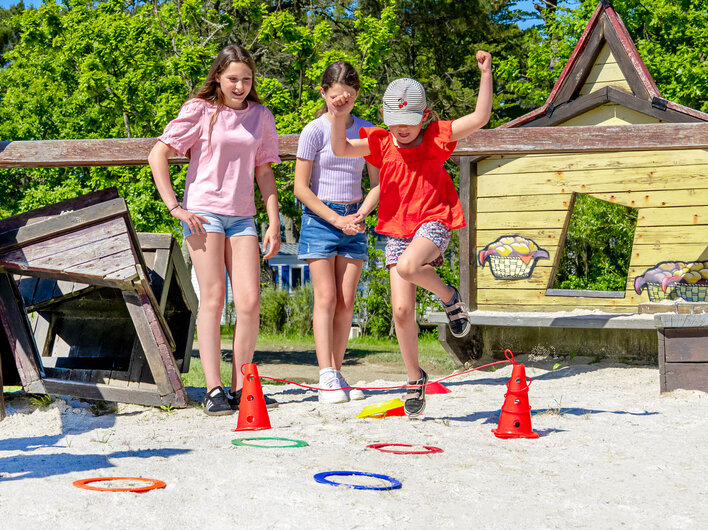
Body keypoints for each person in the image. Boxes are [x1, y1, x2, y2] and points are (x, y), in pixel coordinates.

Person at [330, 50, 493, 418]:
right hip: (396, 227)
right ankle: (414, 377)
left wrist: (485, 73)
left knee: (407, 266)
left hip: (433, 219)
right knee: (402, 310)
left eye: (409, 120)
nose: (402, 128)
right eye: (394, 120)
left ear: (424, 116)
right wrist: (340, 116)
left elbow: (481, 118)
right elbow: (340, 147)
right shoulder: (381, 142)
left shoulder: (437, 138)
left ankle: (449, 296)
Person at [148, 45, 282, 415]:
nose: (240, 86)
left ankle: (242, 388)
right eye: (232, 79)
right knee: (213, 299)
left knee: (250, 302)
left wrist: (274, 221)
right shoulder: (200, 111)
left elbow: (265, 171)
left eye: (246, 79)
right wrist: (175, 207)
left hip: (243, 217)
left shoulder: (261, 117)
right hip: (204, 213)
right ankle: (213, 390)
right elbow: (157, 153)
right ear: (218, 78)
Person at [294, 62, 380, 404]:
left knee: (346, 304)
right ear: (324, 94)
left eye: (347, 97)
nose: (341, 103)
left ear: (357, 94)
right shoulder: (313, 131)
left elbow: (377, 184)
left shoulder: (369, 131)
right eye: (334, 98)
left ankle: (336, 373)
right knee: (326, 298)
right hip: (320, 219)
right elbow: (301, 188)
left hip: (354, 220)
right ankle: (324, 373)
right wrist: (336, 220)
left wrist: (359, 214)